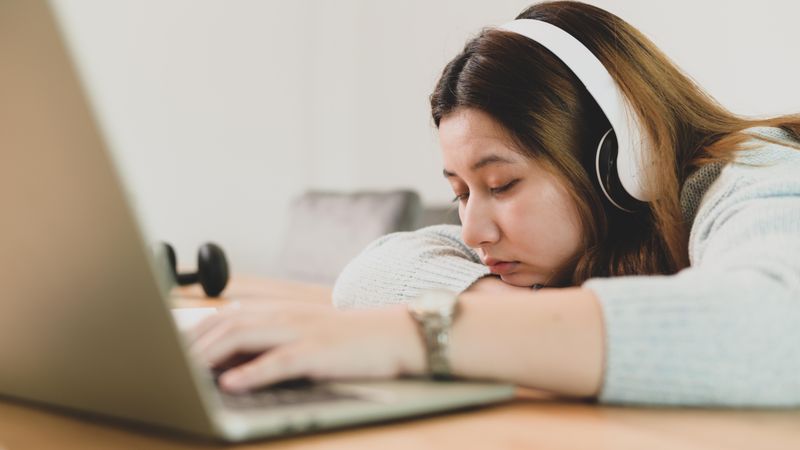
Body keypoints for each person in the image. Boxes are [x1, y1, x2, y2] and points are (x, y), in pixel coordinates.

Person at [189, 1, 800, 406]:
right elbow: (371, 272)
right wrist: (521, 312)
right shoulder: (571, 242)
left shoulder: (756, 172)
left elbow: (779, 323)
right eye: (459, 192)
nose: (475, 228)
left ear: (617, 163)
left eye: (502, 185)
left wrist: (420, 336)